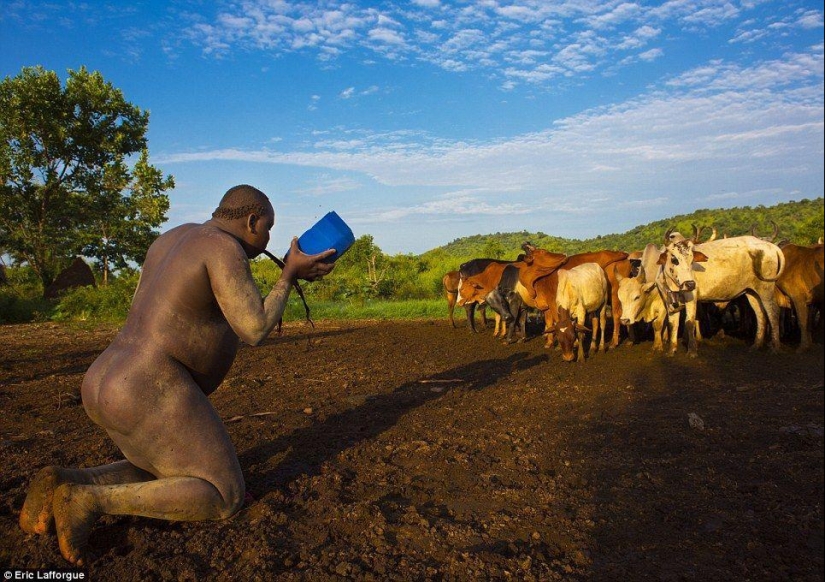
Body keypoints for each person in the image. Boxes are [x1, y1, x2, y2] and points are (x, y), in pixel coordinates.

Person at [18, 184, 335, 565]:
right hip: (149, 384)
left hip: (105, 375)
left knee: (157, 468)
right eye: (267, 228)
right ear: (252, 221)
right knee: (223, 494)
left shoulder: (171, 238)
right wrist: (287, 278)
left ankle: (66, 480)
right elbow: (253, 328)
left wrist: (289, 272)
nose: (268, 237)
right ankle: (91, 501)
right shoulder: (223, 248)